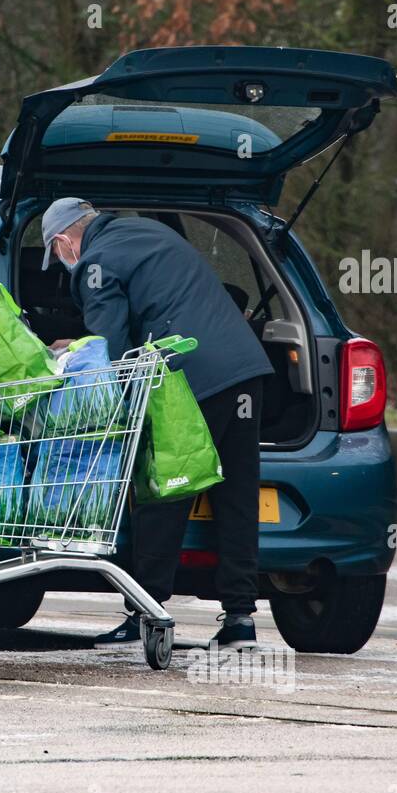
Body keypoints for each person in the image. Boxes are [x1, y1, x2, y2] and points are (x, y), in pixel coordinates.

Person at [41, 197, 274, 649]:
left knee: (163, 490)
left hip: (190, 380)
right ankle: (240, 620)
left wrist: (72, 357)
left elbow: (109, 352)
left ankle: (145, 613)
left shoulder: (94, 261)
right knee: (238, 496)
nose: (63, 262)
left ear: (62, 241)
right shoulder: (152, 233)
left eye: (58, 255)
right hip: (246, 371)